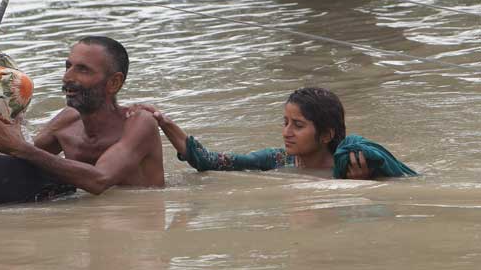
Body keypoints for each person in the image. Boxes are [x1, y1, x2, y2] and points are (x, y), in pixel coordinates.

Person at [0, 36, 165, 194]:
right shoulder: (67, 121)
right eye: (68, 66)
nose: (67, 77)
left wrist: (21, 148)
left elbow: (99, 180)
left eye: (83, 70)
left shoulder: (139, 122)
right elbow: (18, 156)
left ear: (113, 83)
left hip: (137, 232)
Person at [132, 87, 416, 179]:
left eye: (298, 125)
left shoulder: (354, 165)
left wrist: (361, 185)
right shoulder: (278, 160)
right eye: (285, 122)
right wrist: (163, 122)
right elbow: (209, 161)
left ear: (327, 135)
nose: (286, 132)